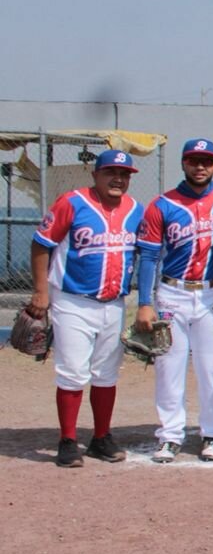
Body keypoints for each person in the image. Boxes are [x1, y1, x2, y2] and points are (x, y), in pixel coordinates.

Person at [31, 149, 145, 468]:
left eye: (124, 174)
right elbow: (41, 244)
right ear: (95, 175)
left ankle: (101, 437)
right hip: (72, 300)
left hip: (115, 302)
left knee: (106, 373)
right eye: (110, 172)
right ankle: (68, 439)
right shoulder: (72, 202)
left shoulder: (136, 210)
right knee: (72, 372)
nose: (118, 178)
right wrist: (41, 292)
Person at [134, 138, 213, 463]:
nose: (200, 166)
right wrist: (144, 303)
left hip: (212, 292)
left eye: (206, 160)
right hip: (172, 292)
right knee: (169, 367)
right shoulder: (162, 204)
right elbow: (149, 257)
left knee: (211, 369)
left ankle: (212, 434)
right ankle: (170, 435)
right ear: (183, 163)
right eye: (194, 160)